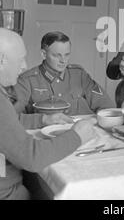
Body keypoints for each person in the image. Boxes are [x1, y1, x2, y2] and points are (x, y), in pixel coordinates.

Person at [0, 28, 96, 200]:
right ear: (1, 60)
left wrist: (44, 119)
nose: (24, 66)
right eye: (21, 60)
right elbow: (31, 156)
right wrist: (77, 136)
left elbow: (9, 122)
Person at [11, 31, 114, 116]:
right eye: (57, 55)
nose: (63, 60)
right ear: (43, 54)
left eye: (67, 54)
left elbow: (107, 107)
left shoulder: (79, 75)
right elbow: (13, 118)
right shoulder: (27, 80)